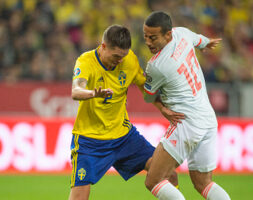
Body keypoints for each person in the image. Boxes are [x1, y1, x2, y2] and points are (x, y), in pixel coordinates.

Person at [69, 24, 177, 200]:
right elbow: (76, 91)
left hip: (124, 138)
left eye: (123, 56)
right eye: (116, 56)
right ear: (103, 46)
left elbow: (145, 89)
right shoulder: (85, 61)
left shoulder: (129, 60)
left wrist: (163, 109)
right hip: (90, 142)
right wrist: (91, 93)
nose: (120, 61)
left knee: (168, 174)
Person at [142, 11, 231, 200]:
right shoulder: (182, 33)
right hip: (207, 119)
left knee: (154, 180)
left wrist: (161, 107)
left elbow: (149, 97)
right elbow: (200, 40)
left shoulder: (157, 65)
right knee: (203, 183)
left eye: (153, 37)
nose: (148, 42)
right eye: (145, 36)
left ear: (168, 34)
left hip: (186, 123)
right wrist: (208, 42)